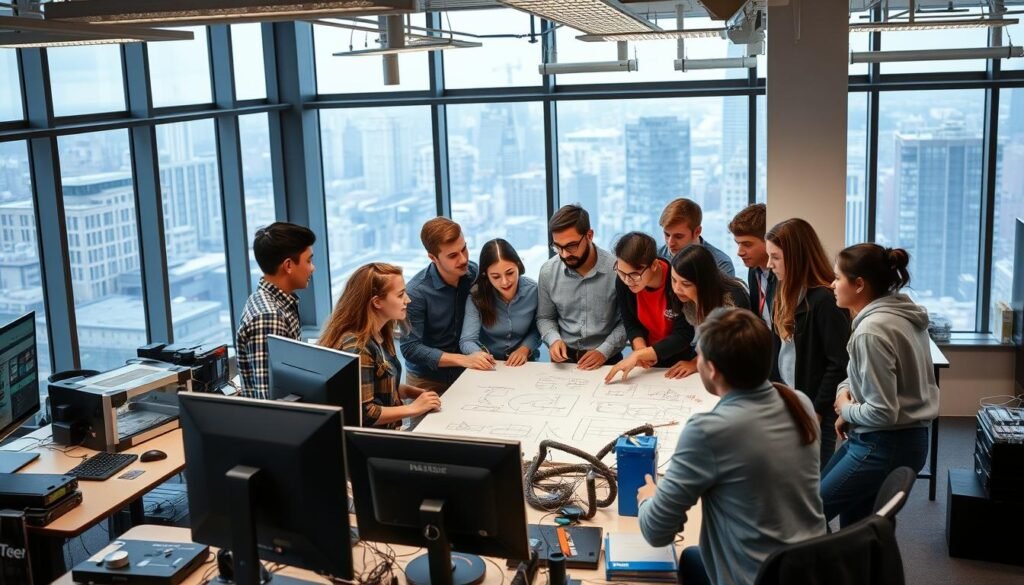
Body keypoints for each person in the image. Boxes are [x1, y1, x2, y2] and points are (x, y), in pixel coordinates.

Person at [637, 307, 826, 585]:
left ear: (711, 370)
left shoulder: (708, 431)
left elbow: (656, 532)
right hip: (808, 570)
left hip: (753, 576)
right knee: (691, 557)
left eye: (698, 355)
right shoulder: (799, 402)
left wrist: (648, 498)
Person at [822, 244, 939, 527]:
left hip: (885, 442)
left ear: (859, 284)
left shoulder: (871, 331)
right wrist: (844, 398)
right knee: (858, 528)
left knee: (804, 514)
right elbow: (858, 376)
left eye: (838, 277)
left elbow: (882, 412)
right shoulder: (900, 317)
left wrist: (847, 409)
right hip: (896, 438)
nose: (832, 284)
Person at [766, 218, 851, 469]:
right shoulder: (782, 291)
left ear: (797, 258)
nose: (769, 264)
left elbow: (838, 364)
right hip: (789, 403)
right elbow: (778, 353)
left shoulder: (824, 299)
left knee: (814, 485)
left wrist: (815, 409)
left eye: (776, 257)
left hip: (816, 409)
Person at [319, 263, 441, 429]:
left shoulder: (381, 333)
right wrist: (413, 408)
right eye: (400, 295)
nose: (408, 299)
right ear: (377, 302)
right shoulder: (358, 348)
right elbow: (367, 413)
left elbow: (382, 385)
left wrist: (412, 392)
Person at [621, 245, 748, 380]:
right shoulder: (683, 296)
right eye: (673, 280)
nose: (677, 289)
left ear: (704, 282)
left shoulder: (733, 299)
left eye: (686, 284)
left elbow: (730, 348)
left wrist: (696, 363)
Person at [401, 217, 492, 394]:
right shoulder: (415, 293)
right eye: (452, 256)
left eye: (464, 248)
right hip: (427, 381)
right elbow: (410, 348)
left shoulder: (473, 272)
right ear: (433, 257)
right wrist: (462, 360)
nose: (463, 259)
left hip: (469, 372)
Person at [537, 204, 626, 370]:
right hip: (564, 363)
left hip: (607, 361)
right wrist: (553, 339)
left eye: (571, 246)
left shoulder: (617, 270)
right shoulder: (548, 272)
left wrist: (604, 351)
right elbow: (545, 317)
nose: (564, 254)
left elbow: (627, 322)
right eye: (558, 247)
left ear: (589, 235)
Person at [236, 222, 315, 399]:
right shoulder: (269, 317)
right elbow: (269, 400)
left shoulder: (272, 301)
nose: (312, 268)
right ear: (288, 265)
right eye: (308, 260)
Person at [604, 232, 696, 382]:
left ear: (654, 265)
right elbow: (630, 321)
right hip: (646, 361)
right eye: (621, 273)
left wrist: (642, 354)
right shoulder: (623, 281)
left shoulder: (676, 282)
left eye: (634, 274)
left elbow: (684, 334)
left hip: (678, 360)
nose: (628, 281)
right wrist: (640, 348)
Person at [459, 239, 540, 367]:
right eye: (496, 276)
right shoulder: (476, 296)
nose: (505, 282)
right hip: (490, 366)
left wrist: (525, 349)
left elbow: (538, 328)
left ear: (518, 265)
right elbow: (467, 341)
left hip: (526, 364)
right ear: (486, 275)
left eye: (510, 273)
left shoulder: (534, 291)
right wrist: (480, 355)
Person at [657, 198, 735, 277]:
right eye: (667, 234)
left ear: (697, 231)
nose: (670, 243)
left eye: (678, 236)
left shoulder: (721, 264)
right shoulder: (654, 259)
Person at [728, 203, 775, 328]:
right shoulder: (754, 270)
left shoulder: (782, 275)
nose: (740, 252)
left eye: (747, 244)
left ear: (768, 242)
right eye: (738, 244)